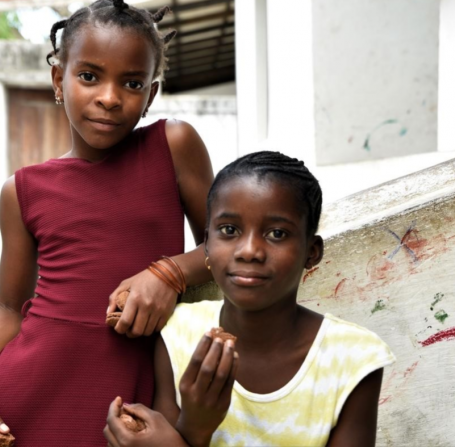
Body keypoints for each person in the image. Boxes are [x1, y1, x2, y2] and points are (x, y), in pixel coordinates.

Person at [0, 0, 214, 445]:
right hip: (27, 399)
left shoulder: (174, 145)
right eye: (89, 76)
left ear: (150, 95)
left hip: (127, 405)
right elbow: (9, 307)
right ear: (59, 78)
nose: (109, 98)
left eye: (132, 84)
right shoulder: (22, 190)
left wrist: (169, 273)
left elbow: (227, 247)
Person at [104, 151, 396, 447]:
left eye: (277, 233)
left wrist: (185, 436)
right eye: (229, 230)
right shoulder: (178, 334)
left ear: (312, 251)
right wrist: (196, 425)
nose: (249, 251)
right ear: (207, 242)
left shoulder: (354, 358)